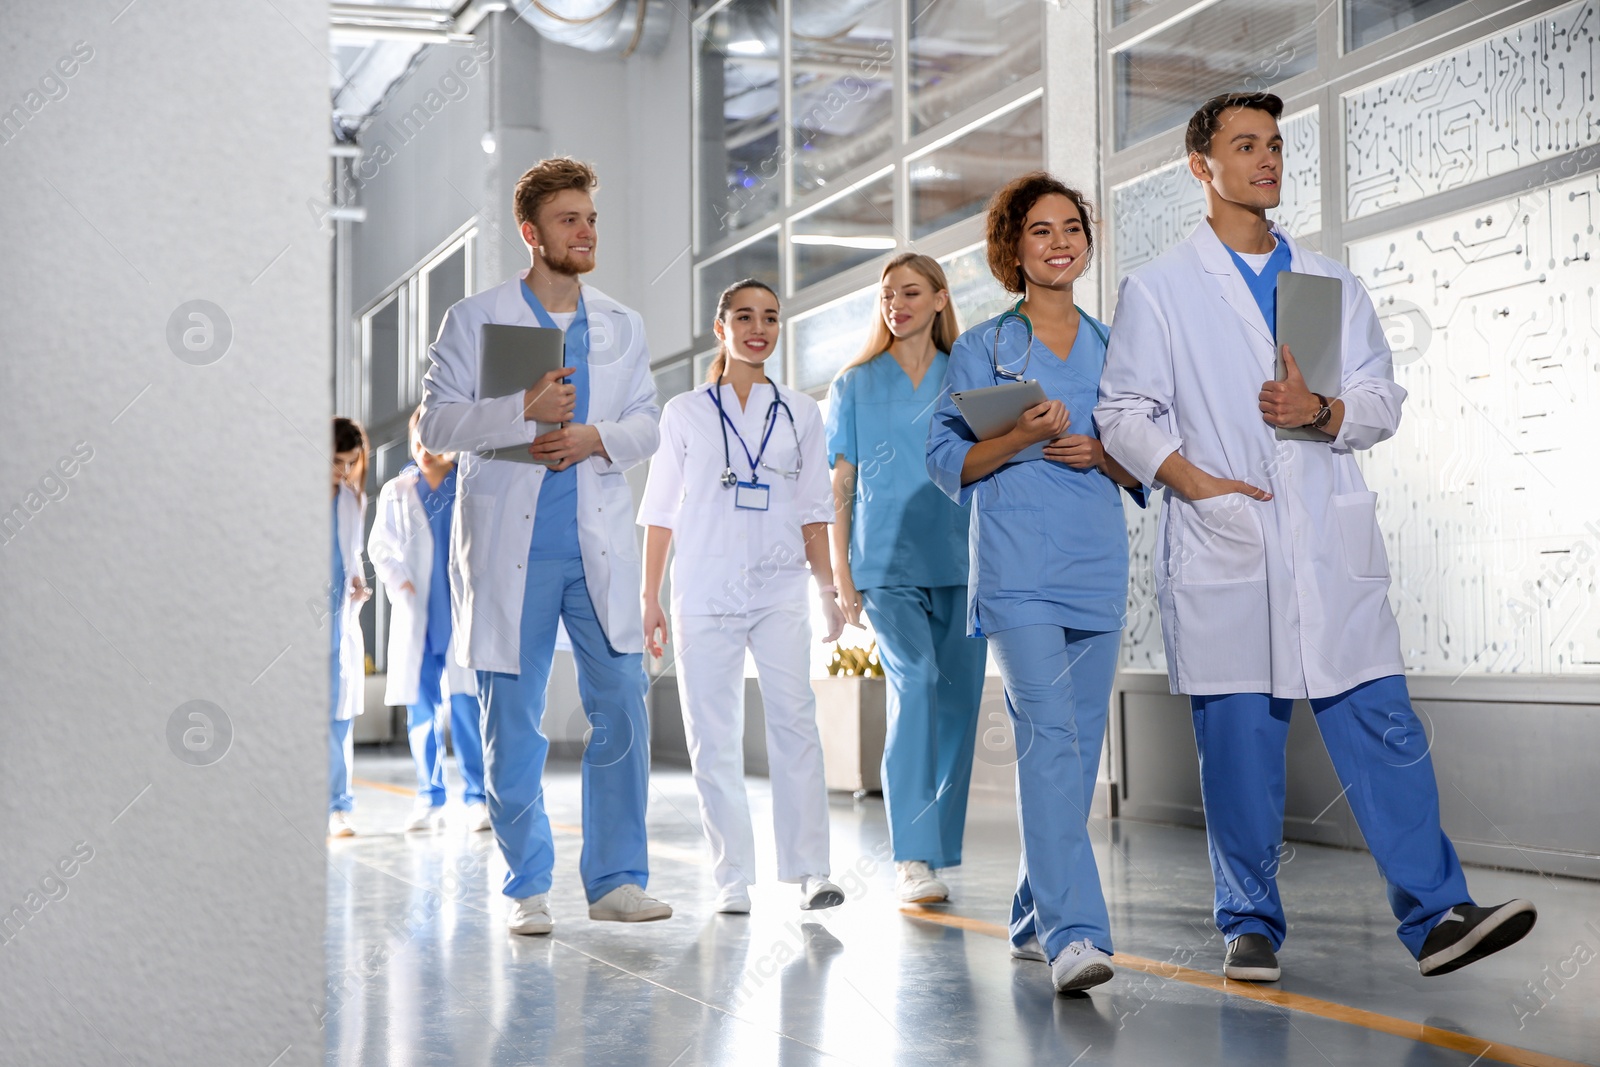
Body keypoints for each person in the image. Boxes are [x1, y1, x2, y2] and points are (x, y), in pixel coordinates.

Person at [1095, 91, 1536, 982]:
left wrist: (1321, 409)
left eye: (1276, 145)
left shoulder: (1332, 281)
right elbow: (1123, 412)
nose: (1268, 160)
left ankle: (1439, 911)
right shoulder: (1162, 288)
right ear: (1201, 167)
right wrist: (1194, 482)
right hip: (1228, 538)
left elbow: (1381, 398)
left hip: (1329, 550)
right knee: (1240, 745)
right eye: (1245, 145)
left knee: (1383, 723)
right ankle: (1250, 921)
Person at [417, 156, 670, 935]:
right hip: (508, 547)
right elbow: (435, 425)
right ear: (531, 233)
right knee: (512, 721)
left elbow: (650, 422)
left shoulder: (622, 324)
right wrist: (522, 410)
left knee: (623, 706)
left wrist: (596, 434)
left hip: (594, 544)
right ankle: (527, 881)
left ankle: (618, 879)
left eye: (591, 218)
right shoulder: (474, 318)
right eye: (570, 220)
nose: (586, 231)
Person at [926, 173, 1145, 994]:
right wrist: (1019, 432)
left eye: (1071, 228)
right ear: (1012, 249)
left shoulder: (1116, 343)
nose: (1060, 242)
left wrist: (1104, 454)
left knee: (1075, 755)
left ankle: (1028, 912)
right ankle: (1074, 935)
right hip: (1016, 568)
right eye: (1040, 231)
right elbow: (949, 461)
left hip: (1094, 563)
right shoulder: (981, 348)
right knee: (1050, 740)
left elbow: (1143, 456)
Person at [638, 279, 847, 916]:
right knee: (714, 734)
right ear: (720, 327)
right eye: (745, 316)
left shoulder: (800, 413)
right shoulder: (684, 413)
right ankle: (732, 875)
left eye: (772, 317)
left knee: (796, 724)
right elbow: (660, 513)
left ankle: (811, 870)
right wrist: (649, 597)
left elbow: (815, 510)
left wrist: (828, 590)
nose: (760, 327)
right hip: (703, 590)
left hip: (781, 590)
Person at [825, 253, 986, 905]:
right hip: (884, 563)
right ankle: (911, 855)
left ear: (942, 298)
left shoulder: (966, 377)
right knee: (914, 682)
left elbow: (991, 463)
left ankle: (938, 848)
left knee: (960, 704)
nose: (897, 304)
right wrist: (840, 571)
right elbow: (841, 483)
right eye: (888, 294)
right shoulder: (855, 383)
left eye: (911, 292)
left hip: (960, 560)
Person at [367, 406, 489, 834]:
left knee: (467, 711)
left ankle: (477, 798)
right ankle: (429, 796)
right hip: (417, 614)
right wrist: (399, 582)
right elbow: (381, 546)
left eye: (431, 442)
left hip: (460, 614)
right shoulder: (397, 491)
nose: (422, 451)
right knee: (423, 713)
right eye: (416, 442)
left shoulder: (470, 485)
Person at [329, 417, 371, 838]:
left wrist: (358, 583)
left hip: (337, 623)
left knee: (339, 720)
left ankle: (337, 806)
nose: (342, 471)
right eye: (335, 461)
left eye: (350, 463)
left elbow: (350, 556)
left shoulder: (351, 500)